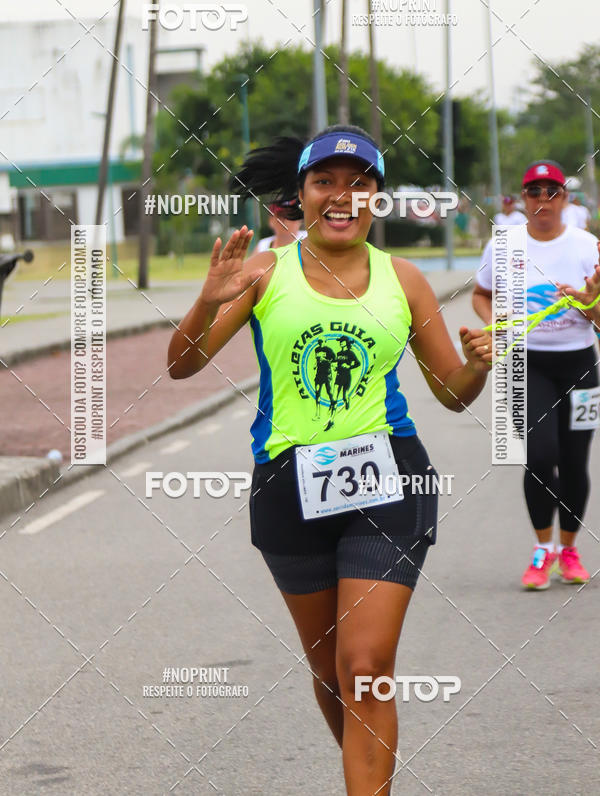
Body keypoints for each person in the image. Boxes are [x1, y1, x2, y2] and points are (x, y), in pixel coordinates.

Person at [168, 124, 493, 795]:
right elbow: (182, 364)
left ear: (377, 199)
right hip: (289, 487)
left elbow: (453, 394)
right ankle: (367, 771)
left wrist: (481, 368)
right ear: (303, 194)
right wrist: (207, 299)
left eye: (360, 184)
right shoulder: (262, 274)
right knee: (330, 675)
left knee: (366, 664)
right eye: (326, 182)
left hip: (391, 480)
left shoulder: (405, 280)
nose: (342, 196)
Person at [472, 159, 600, 590]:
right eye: (534, 192)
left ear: (566, 198)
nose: (543, 199)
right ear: (523, 199)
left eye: (553, 191)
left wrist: (589, 302)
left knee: (575, 460)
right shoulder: (504, 244)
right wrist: (498, 324)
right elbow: (480, 294)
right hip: (526, 366)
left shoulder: (588, 246)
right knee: (541, 455)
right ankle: (541, 550)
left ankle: (569, 549)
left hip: (580, 366)